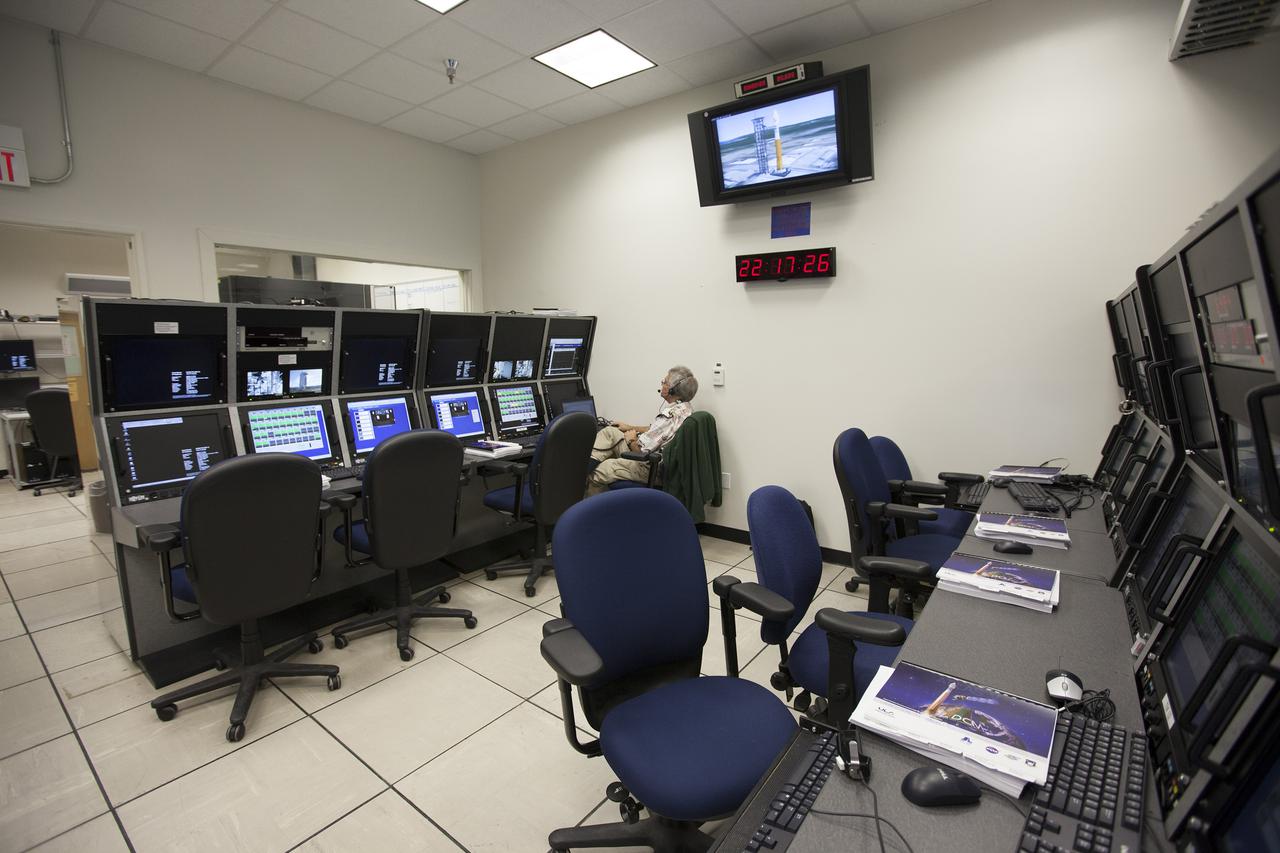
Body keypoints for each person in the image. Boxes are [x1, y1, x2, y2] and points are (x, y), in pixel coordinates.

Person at [588, 365, 698, 494]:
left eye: (665, 382)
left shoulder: (670, 416)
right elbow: (656, 430)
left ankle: (587, 508)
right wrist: (630, 428)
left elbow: (640, 452)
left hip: (650, 468)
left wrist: (631, 440)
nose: (662, 384)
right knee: (610, 432)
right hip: (653, 459)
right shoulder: (685, 410)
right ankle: (583, 469)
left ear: (673, 390)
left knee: (600, 470)